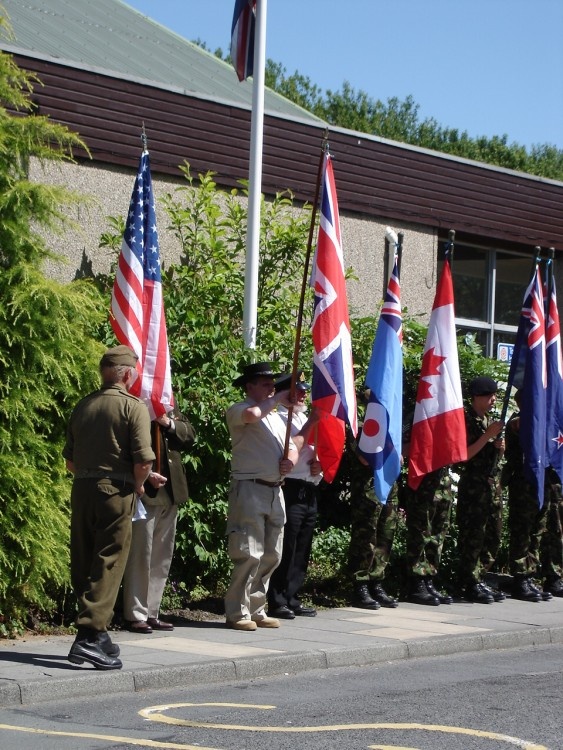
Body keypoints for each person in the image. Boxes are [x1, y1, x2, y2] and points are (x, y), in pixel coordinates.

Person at [63, 345, 155, 669]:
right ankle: (88, 637)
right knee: (109, 561)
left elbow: (71, 460)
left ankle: (98, 632)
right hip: (116, 492)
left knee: (85, 558)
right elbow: (143, 460)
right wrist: (139, 483)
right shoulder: (134, 407)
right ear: (127, 374)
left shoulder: (84, 405)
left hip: (83, 488)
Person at [224, 361, 301, 632]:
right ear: (250, 386)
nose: (272, 388)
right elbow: (251, 416)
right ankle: (237, 611)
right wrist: (279, 399)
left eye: (273, 384)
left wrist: (290, 462)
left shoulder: (277, 419)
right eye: (266, 384)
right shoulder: (239, 409)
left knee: (272, 554)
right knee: (248, 552)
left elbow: (292, 447)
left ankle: (257, 607)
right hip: (249, 487)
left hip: (274, 489)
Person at [123, 406, 196, 632]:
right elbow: (124, 449)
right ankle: (135, 614)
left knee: (162, 557)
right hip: (147, 493)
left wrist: (168, 423)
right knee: (141, 556)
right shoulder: (136, 408)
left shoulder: (168, 409)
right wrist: (145, 475)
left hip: (170, 492)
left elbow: (189, 435)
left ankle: (152, 611)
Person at [267, 371, 322, 619]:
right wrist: (312, 422)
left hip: (309, 488)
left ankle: (292, 595)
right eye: (297, 390)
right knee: (286, 545)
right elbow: (291, 449)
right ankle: (277, 599)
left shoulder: (301, 417)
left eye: (303, 390)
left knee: (302, 548)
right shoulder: (282, 417)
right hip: (290, 487)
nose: (303, 394)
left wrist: (321, 464)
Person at [347, 390, 399, 610]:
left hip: (388, 480)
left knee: (386, 533)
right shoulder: (357, 418)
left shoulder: (393, 415)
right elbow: (363, 456)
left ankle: (377, 581)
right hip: (368, 484)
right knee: (366, 533)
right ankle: (360, 584)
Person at [457, 376, 505, 604]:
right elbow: (463, 455)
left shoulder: (488, 421)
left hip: (491, 487)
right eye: (488, 395)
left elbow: (491, 456)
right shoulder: (466, 421)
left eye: (494, 395)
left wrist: (498, 447)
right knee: (473, 536)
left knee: (492, 535)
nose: (493, 399)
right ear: (476, 397)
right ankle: (469, 582)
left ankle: (482, 577)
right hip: (474, 489)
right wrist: (487, 437)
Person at [501, 390, 551, 602]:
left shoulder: (544, 422)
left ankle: (530, 575)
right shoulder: (517, 422)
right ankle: (520, 577)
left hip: (541, 482)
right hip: (523, 485)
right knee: (522, 530)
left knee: (536, 532)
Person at [404, 468, 454, 606]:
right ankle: (417, 583)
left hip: (442, 477)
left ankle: (428, 580)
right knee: (421, 531)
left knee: (438, 534)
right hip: (424, 476)